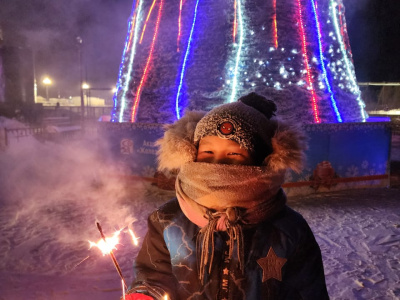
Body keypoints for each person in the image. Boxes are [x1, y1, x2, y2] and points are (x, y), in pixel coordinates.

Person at [124, 92, 329, 299]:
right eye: (208, 153)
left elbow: (307, 291)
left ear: (261, 161)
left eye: (234, 154)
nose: (218, 164)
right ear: (192, 153)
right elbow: (152, 274)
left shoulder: (289, 229)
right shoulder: (167, 220)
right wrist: (145, 293)